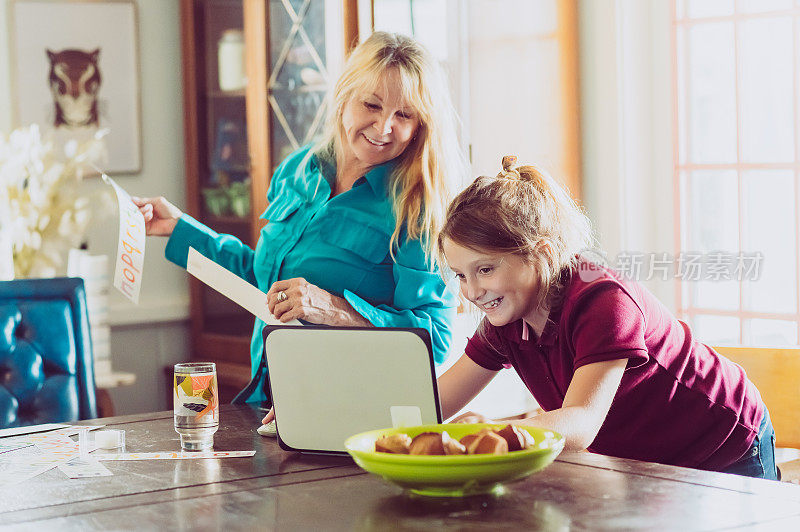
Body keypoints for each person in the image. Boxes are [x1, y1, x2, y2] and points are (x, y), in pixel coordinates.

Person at [135, 32, 463, 404]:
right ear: (344, 97)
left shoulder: (417, 209)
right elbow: (265, 282)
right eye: (371, 105)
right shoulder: (298, 168)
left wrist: (335, 310)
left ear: (420, 126)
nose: (384, 127)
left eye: (403, 114)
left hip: (348, 410)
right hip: (267, 400)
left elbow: (433, 338)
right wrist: (178, 227)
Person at [435, 155, 778, 480]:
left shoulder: (603, 300)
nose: (472, 291)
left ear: (541, 254)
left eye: (485, 269)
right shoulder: (505, 320)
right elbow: (438, 400)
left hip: (726, 444)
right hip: (648, 462)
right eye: (461, 275)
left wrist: (494, 431)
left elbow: (581, 422)